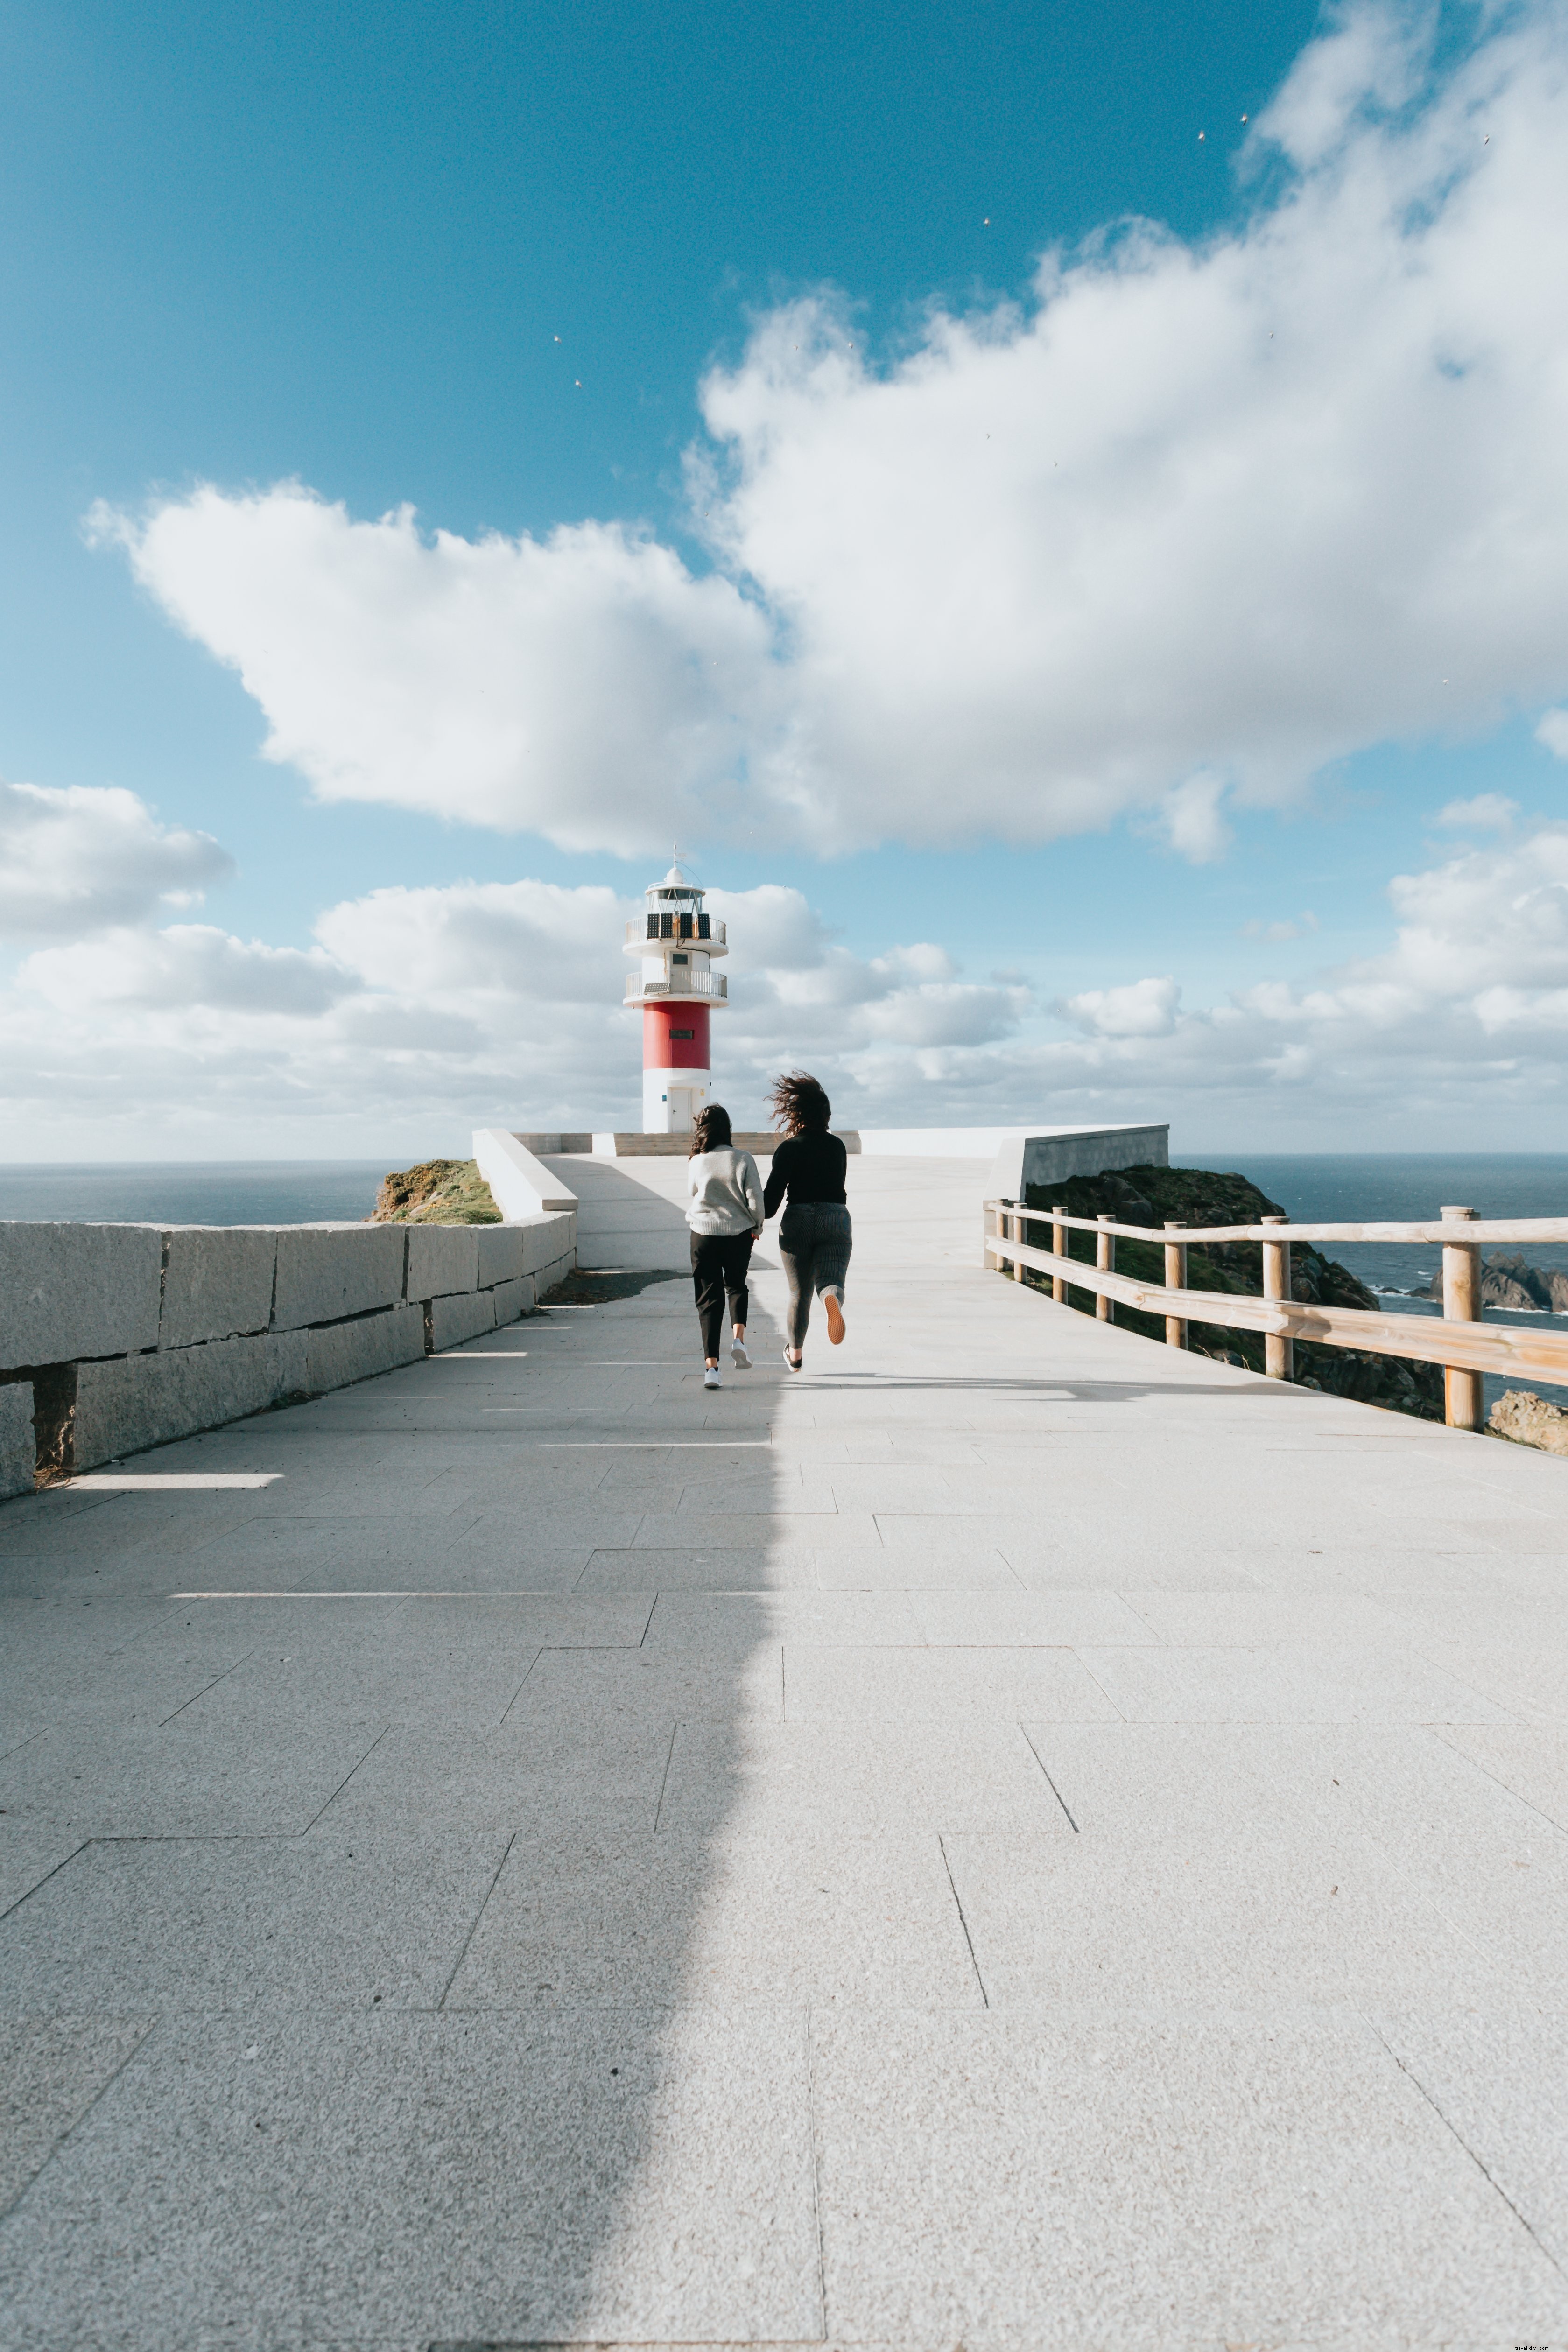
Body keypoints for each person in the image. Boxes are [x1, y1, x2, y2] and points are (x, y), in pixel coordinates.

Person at [762, 1070, 851, 1370]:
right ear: (825, 1115)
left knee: (798, 1293)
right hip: (835, 1217)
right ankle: (831, 1298)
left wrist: (753, 1218)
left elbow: (771, 1203)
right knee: (831, 1278)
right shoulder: (837, 1146)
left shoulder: (789, 1148)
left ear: (796, 1114)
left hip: (798, 1219)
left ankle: (796, 1354)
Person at [684, 1104, 764, 1390]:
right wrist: (757, 1226)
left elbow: (692, 1192)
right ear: (727, 1128)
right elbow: (755, 1201)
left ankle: (712, 1370)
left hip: (703, 1233)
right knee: (736, 1286)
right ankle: (739, 1341)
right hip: (738, 1233)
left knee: (708, 1299)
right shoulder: (743, 1159)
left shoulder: (696, 1161)